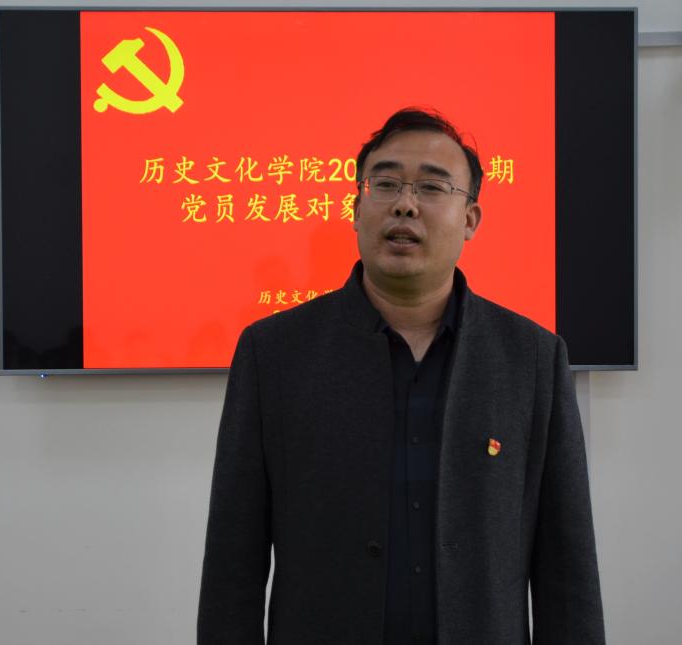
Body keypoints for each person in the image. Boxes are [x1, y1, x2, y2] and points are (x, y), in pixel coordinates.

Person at [198, 108, 604, 645]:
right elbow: (233, 563)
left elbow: (567, 573)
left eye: (432, 188)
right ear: (355, 209)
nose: (405, 204)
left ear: (470, 219)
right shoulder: (274, 353)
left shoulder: (531, 358)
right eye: (385, 184)